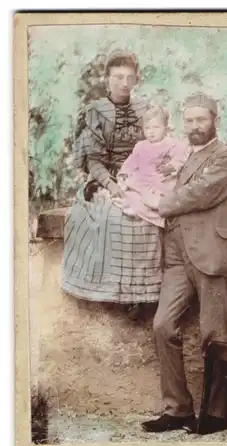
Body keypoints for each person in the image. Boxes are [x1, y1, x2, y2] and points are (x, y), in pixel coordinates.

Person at [141, 92, 227, 434]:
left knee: (214, 333)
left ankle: (215, 414)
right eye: (189, 120)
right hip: (176, 256)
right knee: (162, 326)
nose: (195, 126)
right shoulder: (184, 158)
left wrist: (160, 201)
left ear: (216, 120)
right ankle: (178, 409)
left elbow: (203, 193)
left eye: (202, 119)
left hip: (211, 252)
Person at [61, 51, 164, 306]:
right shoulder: (96, 112)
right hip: (106, 178)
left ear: (136, 79)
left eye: (130, 77)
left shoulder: (145, 109)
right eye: (118, 77)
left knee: (151, 215)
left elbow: (155, 147)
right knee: (113, 216)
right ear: (107, 78)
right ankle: (108, 292)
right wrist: (111, 184)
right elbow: (93, 162)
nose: (124, 83)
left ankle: (142, 294)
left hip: (141, 176)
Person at [98, 105, 189, 228]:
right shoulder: (141, 146)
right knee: (131, 191)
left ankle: (148, 212)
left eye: (156, 127)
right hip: (142, 179)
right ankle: (132, 206)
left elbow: (180, 158)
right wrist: (124, 173)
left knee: (153, 199)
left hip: (159, 180)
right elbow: (131, 162)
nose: (151, 132)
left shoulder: (171, 144)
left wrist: (171, 166)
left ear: (165, 128)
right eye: (147, 128)